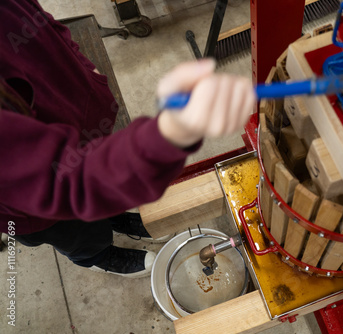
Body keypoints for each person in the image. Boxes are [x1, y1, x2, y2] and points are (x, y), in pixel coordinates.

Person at [0, 0, 255, 278]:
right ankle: (98, 254)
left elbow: (34, 16)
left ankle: (112, 216)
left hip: (80, 118)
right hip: (35, 200)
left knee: (103, 200)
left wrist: (82, 66)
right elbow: (65, 182)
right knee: (73, 229)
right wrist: (170, 134)